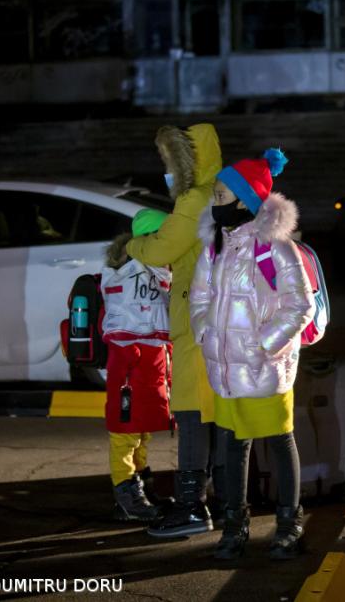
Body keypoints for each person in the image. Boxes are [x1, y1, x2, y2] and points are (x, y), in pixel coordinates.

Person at [189, 148, 315, 560]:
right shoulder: (215, 246)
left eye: (222, 195)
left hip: (266, 367)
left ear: (245, 199)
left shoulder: (275, 248)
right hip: (225, 368)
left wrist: (263, 346)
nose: (215, 202)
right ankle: (234, 523)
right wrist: (207, 334)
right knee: (231, 444)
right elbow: (200, 297)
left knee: (280, 441)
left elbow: (300, 305)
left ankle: (288, 522)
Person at [117, 124, 223, 538]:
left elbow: (161, 247)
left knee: (192, 413)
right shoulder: (217, 192)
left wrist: (132, 246)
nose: (166, 168)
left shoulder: (195, 198)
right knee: (209, 415)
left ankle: (191, 507)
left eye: (169, 160)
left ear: (187, 160)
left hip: (194, 319)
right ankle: (208, 500)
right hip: (211, 318)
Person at [101, 209, 176, 522]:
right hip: (131, 358)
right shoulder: (128, 271)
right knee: (126, 431)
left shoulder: (154, 268)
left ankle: (141, 487)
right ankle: (126, 493)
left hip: (152, 357)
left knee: (142, 428)